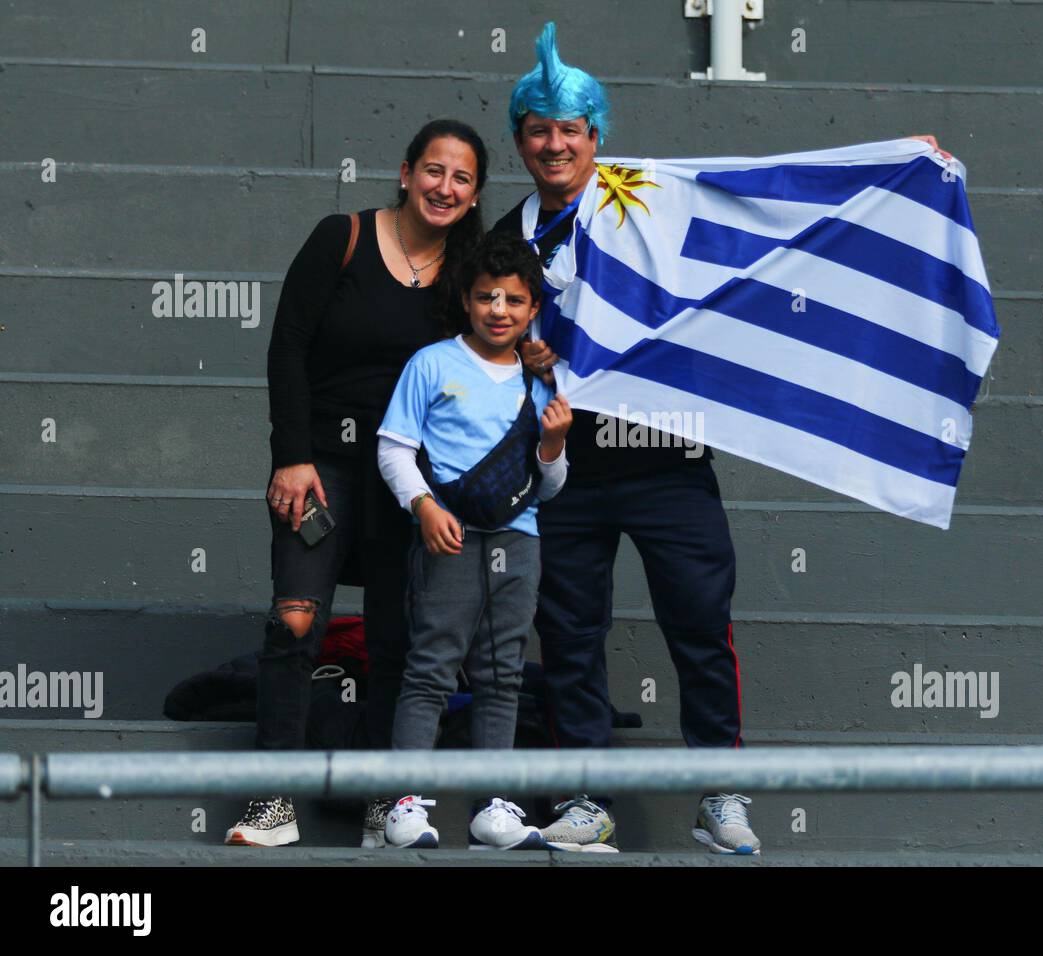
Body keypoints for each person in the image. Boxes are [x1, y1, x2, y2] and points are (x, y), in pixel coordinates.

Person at [492, 23, 759, 855]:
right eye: (539, 129)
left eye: (571, 128)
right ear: (521, 141)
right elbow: (479, 341)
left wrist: (890, 172)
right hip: (564, 470)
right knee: (569, 636)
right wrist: (522, 355)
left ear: (597, 137)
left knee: (699, 625)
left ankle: (719, 793)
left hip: (667, 461)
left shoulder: (646, 201)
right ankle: (587, 798)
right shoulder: (503, 239)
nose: (555, 142)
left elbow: (754, 214)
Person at [224, 119, 488, 848]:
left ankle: (385, 808)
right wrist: (292, 455)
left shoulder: (471, 275)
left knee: (396, 639)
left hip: (409, 478)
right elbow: (288, 347)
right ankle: (270, 804)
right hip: (324, 466)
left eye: (462, 179)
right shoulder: (339, 236)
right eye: (434, 171)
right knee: (295, 622)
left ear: (473, 197)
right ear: (406, 173)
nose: (445, 187)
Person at [374, 231, 573, 850]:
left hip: (519, 540)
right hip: (450, 539)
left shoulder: (541, 380)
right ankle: (403, 805)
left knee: (502, 674)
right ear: (465, 299)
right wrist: (423, 506)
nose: (499, 310)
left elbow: (550, 488)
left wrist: (554, 446)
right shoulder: (431, 363)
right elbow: (393, 448)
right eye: (487, 297)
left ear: (533, 308)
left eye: (514, 300)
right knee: (432, 668)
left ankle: (495, 808)